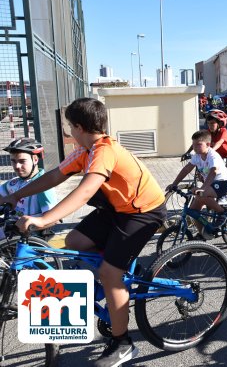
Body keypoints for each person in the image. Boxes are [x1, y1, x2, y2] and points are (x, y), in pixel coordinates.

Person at [0, 98, 166, 366]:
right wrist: (14, 196)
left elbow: (86, 190)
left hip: (143, 211)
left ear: (78, 126)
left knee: (111, 273)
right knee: (74, 240)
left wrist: (44, 219)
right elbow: (54, 176)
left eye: (69, 126)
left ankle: (123, 342)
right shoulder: (85, 150)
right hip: (117, 208)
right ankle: (109, 281)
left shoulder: (104, 151)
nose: (68, 131)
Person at [167, 130, 227, 231]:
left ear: (208, 144)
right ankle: (203, 234)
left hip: (222, 183)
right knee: (193, 211)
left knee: (201, 194)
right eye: (193, 144)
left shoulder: (212, 155)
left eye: (198, 144)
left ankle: (223, 212)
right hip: (210, 184)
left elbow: (213, 172)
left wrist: (203, 189)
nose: (195, 147)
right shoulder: (197, 156)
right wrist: (174, 184)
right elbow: (186, 169)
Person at [0, 138, 56, 239]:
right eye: (13, 161)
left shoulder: (43, 185)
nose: (17, 166)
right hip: (11, 231)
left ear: (35, 159)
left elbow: (53, 220)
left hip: (28, 237)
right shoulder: (15, 182)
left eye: (22, 161)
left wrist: (29, 225)